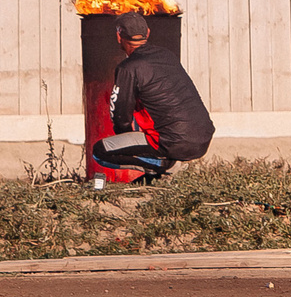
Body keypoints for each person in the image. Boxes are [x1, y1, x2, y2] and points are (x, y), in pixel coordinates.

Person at [90, 12, 214, 182]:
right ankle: (152, 176)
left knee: (100, 152)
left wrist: (126, 140)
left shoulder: (128, 67)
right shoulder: (167, 55)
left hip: (172, 142)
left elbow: (120, 115)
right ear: (147, 33)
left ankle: (158, 166)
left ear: (119, 37)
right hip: (203, 138)